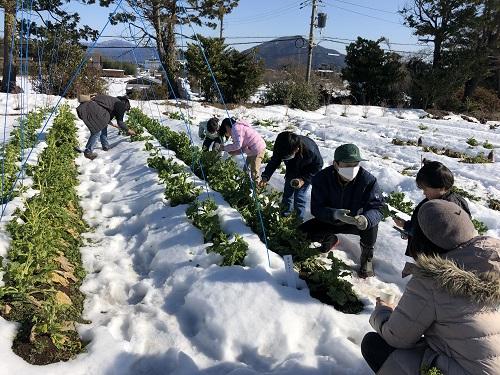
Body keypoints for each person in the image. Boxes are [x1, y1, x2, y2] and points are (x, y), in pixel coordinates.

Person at [362, 200, 500, 375]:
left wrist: (382, 312)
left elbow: (397, 337)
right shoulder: (489, 265)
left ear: (423, 240)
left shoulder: (433, 280)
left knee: (374, 345)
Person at [298, 144, 384, 278]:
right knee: (301, 233)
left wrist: (365, 219)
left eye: (355, 164)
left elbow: (377, 207)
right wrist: (334, 213)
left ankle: (367, 258)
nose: (352, 169)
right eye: (347, 165)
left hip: (355, 222)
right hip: (330, 220)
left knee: (372, 226)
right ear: (336, 164)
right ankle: (330, 239)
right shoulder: (322, 178)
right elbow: (316, 208)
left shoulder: (368, 181)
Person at [393, 160, 471, 259]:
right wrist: (407, 226)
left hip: (434, 260)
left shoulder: (441, 209)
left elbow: (429, 236)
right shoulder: (454, 200)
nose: (424, 193)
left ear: (441, 187)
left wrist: (407, 227)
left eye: (426, 189)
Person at [259, 131, 323, 220]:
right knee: (287, 194)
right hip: (292, 169)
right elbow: (274, 162)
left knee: (299, 197)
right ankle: (284, 217)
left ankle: (298, 222)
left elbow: (318, 166)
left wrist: (303, 179)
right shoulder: (281, 147)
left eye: (287, 156)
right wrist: (265, 177)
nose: (284, 157)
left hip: (307, 172)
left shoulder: (310, 150)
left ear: (296, 149)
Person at [76, 94, 135, 160]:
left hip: (88, 107)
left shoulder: (113, 100)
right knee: (96, 131)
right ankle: (88, 152)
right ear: (126, 105)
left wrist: (112, 123)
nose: (124, 111)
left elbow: (105, 116)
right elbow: (120, 123)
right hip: (90, 109)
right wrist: (129, 130)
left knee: (103, 125)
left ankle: (105, 146)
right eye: (126, 110)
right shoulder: (120, 105)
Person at [218, 117, 266, 181]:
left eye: (226, 132)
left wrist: (224, 148)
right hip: (252, 149)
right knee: (245, 169)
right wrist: (235, 152)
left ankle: (257, 189)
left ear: (226, 127)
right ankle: (245, 186)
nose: (229, 135)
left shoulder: (235, 129)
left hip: (258, 148)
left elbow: (237, 145)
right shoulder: (238, 128)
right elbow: (242, 147)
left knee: (254, 172)